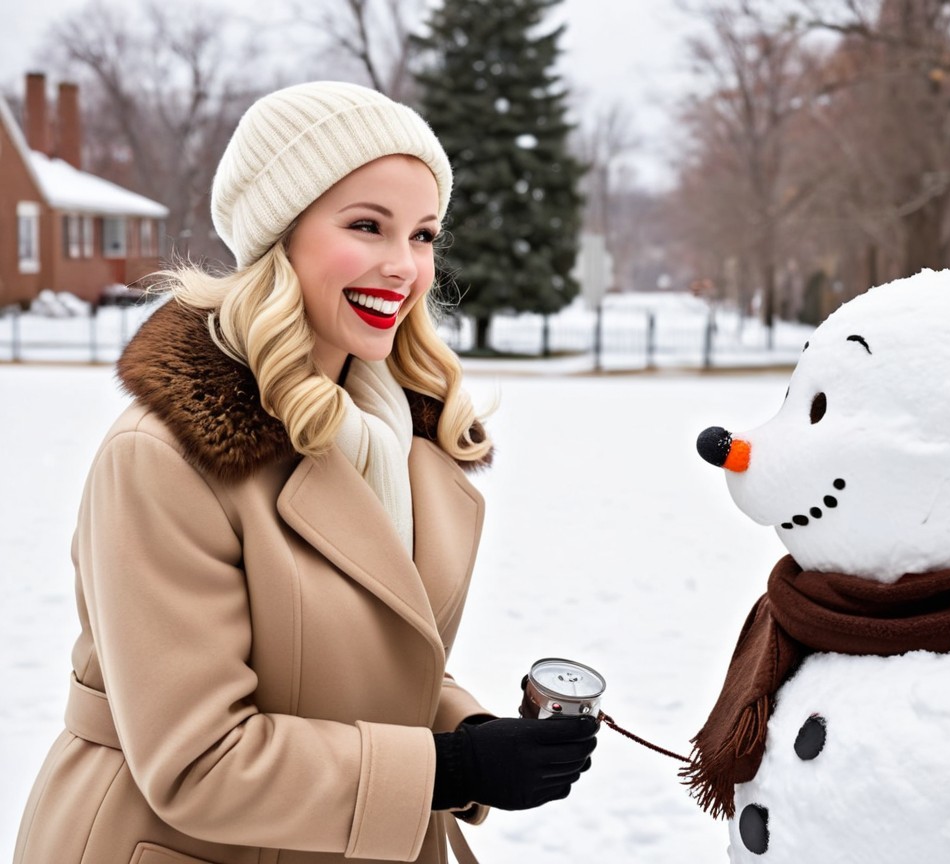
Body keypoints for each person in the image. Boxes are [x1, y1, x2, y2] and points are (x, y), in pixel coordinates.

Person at [12, 80, 598, 864]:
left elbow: (351, 662)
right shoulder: (162, 457)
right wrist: (445, 769)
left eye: (423, 235)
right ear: (279, 238)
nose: (404, 267)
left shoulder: (400, 437)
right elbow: (197, 761)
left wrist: (467, 728)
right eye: (367, 226)